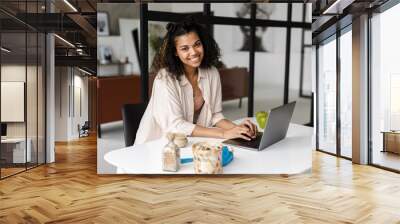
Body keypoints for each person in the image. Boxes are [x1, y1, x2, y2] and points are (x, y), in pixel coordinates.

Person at [135, 17, 258, 145]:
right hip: (157, 146)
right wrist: (223, 134)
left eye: (197, 44)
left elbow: (216, 115)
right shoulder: (165, 80)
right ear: (175, 52)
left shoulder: (212, 73)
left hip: (189, 144)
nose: (193, 52)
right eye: (184, 48)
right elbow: (176, 125)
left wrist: (238, 129)